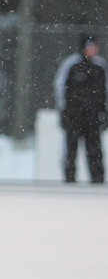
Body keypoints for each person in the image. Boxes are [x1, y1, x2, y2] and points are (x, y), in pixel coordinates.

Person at [53, 34, 108, 183]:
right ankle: (69, 179)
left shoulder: (100, 66)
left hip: (93, 117)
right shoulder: (72, 64)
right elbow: (60, 87)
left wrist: (103, 113)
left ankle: (97, 180)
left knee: (95, 151)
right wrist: (64, 111)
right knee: (71, 150)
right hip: (74, 116)